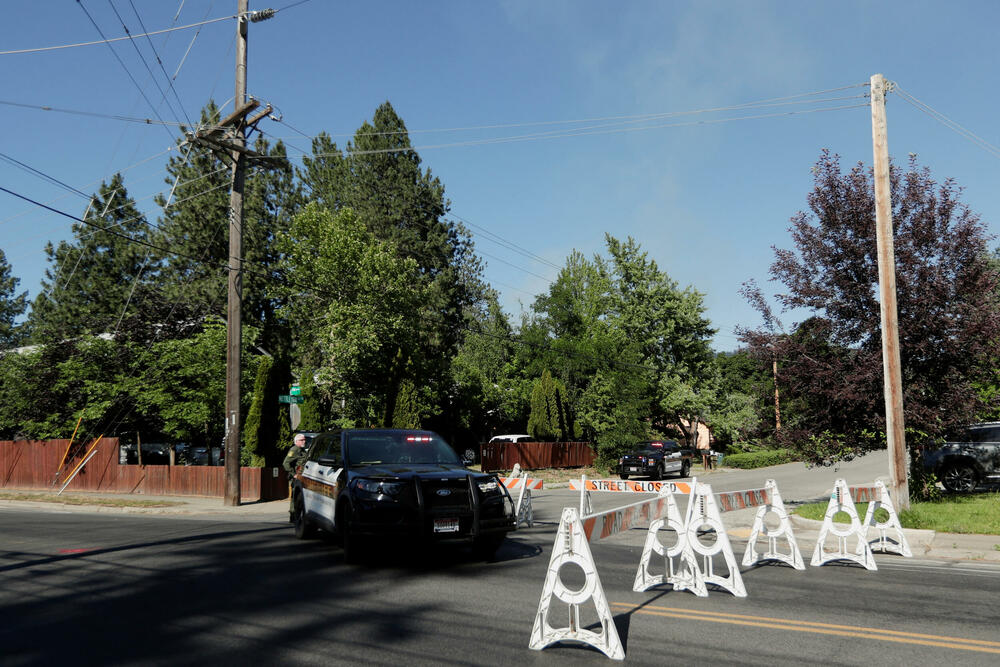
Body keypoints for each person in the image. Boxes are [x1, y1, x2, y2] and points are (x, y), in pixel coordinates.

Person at [284, 433, 309, 521]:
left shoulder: (302, 450)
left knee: (298, 496)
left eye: (304, 439)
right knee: (295, 496)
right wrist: (293, 474)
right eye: (302, 440)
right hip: (296, 477)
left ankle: (295, 516)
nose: (304, 441)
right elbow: (286, 463)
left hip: (302, 477)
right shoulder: (294, 450)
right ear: (296, 441)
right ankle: (293, 515)